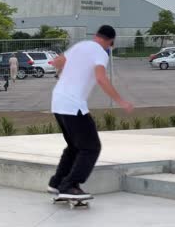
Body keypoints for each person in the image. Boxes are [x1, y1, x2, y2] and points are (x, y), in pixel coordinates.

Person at [47, 25, 134, 200]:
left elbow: (57, 62)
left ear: (97, 35)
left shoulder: (80, 45)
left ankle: (57, 183)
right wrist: (121, 101)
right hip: (73, 105)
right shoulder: (100, 52)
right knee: (91, 147)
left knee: (74, 147)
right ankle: (69, 185)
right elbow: (101, 78)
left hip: (58, 101)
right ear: (110, 42)